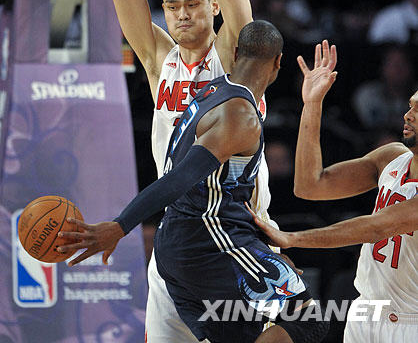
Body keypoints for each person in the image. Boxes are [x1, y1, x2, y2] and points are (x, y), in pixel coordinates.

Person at [105, 0, 276, 342]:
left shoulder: (233, 57)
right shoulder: (160, 57)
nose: (181, 15)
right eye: (173, 7)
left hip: (233, 233)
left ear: (214, 9)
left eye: (193, 5)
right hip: (178, 232)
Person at [58, 21, 329, 343]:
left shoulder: (210, 91)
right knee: (308, 320)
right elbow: (183, 178)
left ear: (237, 53)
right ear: (278, 62)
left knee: (244, 333)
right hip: (209, 241)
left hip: (180, 244)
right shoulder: (240, 116)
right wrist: (119, 226)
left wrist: (259, 248)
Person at [248, 40, 418, 343]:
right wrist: (312, 104)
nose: (408, 115)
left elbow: (376, 226)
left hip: (410, 321)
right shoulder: (391, 157)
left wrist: (293, 238)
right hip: (364, 310)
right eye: (409, 106)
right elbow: (310, 185)